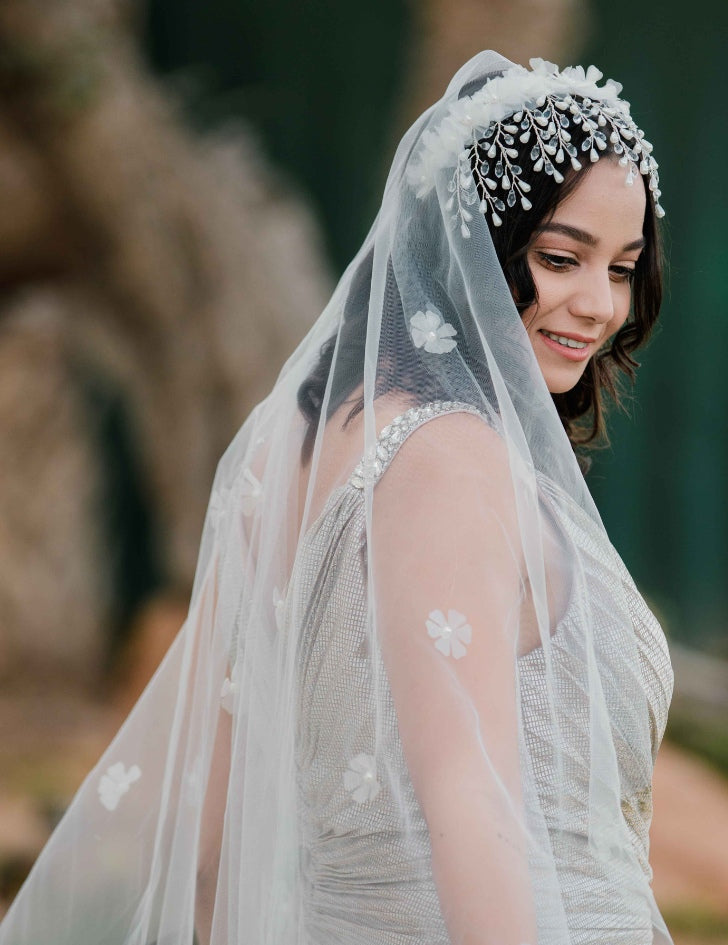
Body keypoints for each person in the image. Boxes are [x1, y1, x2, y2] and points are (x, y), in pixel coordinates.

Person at [0, 51, 673, 945]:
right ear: (468, 239)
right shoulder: (450, 458)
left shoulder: (300, 448)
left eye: (623, 268)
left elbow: (209, 830)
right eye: (559, 257)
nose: (598, 305)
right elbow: (467, 797)